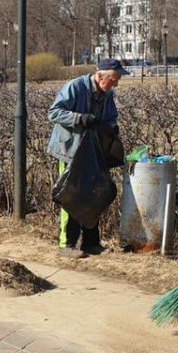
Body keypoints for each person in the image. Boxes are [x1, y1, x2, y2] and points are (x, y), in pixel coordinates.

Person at [47, 58, 126, 257]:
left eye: (117, 81)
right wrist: (79, 118)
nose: (115, 84)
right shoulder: (75, 87)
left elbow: (111, 117)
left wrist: (111, 129)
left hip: (92, 151)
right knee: (71, 194)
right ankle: (67, 245)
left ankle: (91, 243)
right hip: (69, 150)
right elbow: (54, 112)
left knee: (94, 194)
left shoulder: (107, 94)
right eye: (114, 80)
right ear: (100, 76)